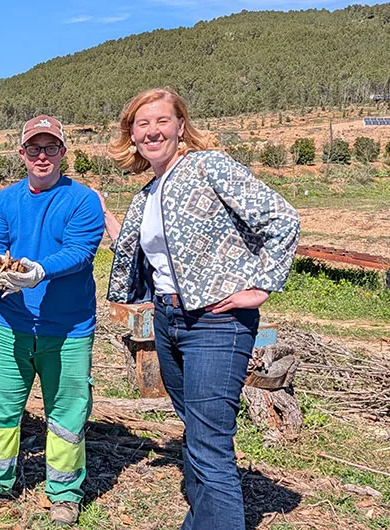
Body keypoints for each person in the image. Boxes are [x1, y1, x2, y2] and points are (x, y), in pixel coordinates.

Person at [105, 88, 300, 529]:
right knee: (195, 428)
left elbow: (283, 217)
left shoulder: (208, 167)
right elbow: (157, 256)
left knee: (209, 442)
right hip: (169, 318)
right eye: (142, 124)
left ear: (180, 126)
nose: (152, 131)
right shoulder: (149, 192)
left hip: (217, 321)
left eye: (162, 121)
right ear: (131, 135)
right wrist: (115, 228)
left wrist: (262, 285)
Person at [0, 115, 104, 527]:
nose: (43, 156)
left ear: (63, 153)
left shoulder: (82, 200)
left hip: (68, 327)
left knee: (67, 410)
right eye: (34, 148)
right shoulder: (4, 200)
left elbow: (80, 251)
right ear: (21, 153)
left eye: (51, 148)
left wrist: (38, 271)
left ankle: (64, 492)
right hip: (12, 322)